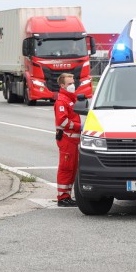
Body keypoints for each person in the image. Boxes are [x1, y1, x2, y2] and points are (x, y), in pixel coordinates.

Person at [54, 73, 81, 207]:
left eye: (73, 82)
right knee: (66, 168)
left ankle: (67, 195)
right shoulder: (62, 100)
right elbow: (62, 121)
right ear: (62, 85)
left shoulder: (70, 98)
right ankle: (62, 197)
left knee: (72, 168)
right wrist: (79, 126)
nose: (73, 85)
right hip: (67, 139)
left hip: (73, 140)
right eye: (69, 84)